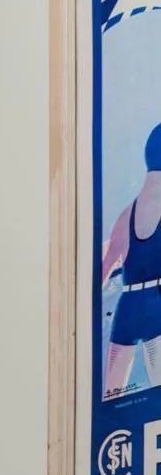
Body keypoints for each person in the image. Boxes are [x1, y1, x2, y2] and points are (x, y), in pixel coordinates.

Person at [102, 122, 161, 394]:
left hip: (127, 307)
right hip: (156, 304)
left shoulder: (127, 213)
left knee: (113, 394)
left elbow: (103, 272)